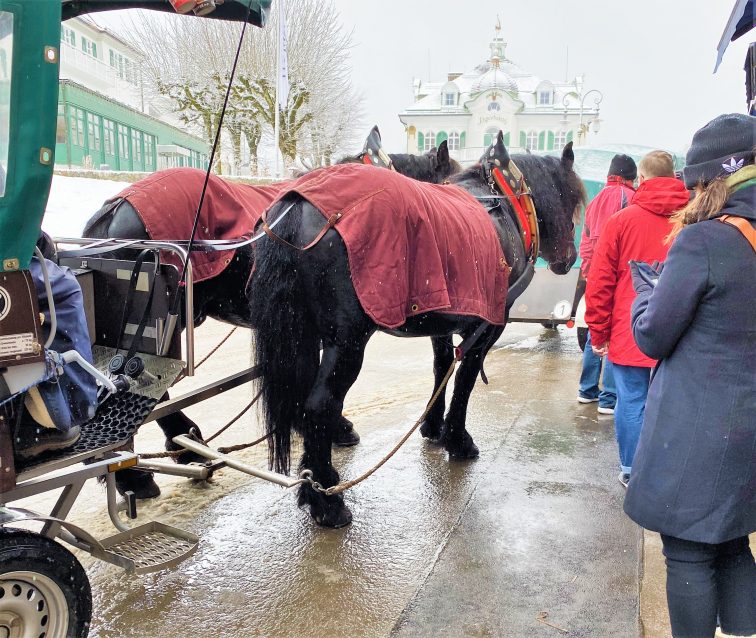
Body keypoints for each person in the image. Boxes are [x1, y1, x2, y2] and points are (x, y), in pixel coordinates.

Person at [624, 113, 756, 637]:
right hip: (747, 427)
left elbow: (653, 335)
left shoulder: (704, 241)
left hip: (700, 430)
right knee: (730, 542)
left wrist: (646, 294)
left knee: (687, 551)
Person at [585, 150, 689, 487]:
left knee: (631, 400)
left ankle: (632, 469)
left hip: (632, 328)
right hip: (679, 330)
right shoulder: (693, 220)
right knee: (673, 403)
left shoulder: (621, 222)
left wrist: (598, 333)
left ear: (641, 179)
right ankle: (665, 466)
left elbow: (600, 282)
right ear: (672, 176)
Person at [576, 154, 636, 413]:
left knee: (594, 330)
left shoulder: (596, 200)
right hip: (617, 275)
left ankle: (587, 390)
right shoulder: (630, 199)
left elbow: (586, 241)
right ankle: (609, 399)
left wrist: (588, 270)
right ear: (631, 177)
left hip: (595, 275)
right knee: (616, 333)